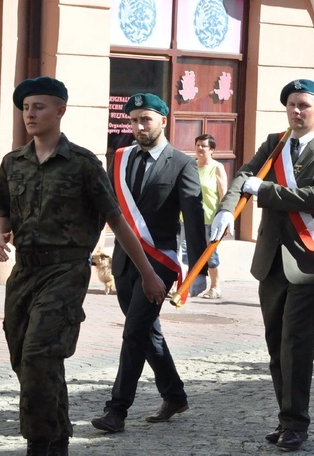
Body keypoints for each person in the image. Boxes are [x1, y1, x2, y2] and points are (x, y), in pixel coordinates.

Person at [0, 76, 165, 456]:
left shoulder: (84, 164)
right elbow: (0, 208)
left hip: (66, 271)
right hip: (24, 273)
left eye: (38, 107)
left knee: (40, 355)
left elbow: (117, 220)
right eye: (25, 108)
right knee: (27, 360)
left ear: (60, 111)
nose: (30, 114)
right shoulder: (13, 162)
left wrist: (148, 273)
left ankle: (39, 444)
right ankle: (57, 437)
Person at [210, 79, 314, 451]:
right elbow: (243, 175)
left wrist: (263, 190)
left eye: (304, 105)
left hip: (306, 264)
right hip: (270, 261)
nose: (296, 112)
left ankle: (296, 424)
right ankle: (285, 417)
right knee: (275, 345)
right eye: (291, 105)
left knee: (296, 345)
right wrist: (226, 210)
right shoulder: (275, 143)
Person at [91, 93, 207, 433]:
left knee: (135, 332)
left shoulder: (181, 163)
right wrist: (90, 245)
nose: (140, 126)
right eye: (135, 120)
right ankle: (174, 394)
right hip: (125, 262)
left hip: (160, 263)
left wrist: (197, 271)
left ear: (163, 121)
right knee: (147, 333)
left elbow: (194, 217)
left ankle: (117, 410)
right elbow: (108, 207)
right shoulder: (121, 157)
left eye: (147, 119)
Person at [178, 133, 228, 299]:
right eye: (198, 145)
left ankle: (215, 287)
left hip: (209, 220)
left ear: (212, 150)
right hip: (188, 220)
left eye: (204, 146)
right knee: (185, 255)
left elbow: (224, 195)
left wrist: (224, 217)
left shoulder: (216, 168)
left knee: (210, 255)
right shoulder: (190, 166)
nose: (200, 148)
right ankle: (185, 286)